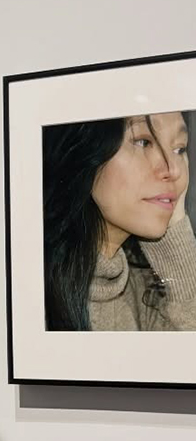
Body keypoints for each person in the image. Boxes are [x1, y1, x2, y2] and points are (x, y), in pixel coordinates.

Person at [43, 110, 196, 330]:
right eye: (144, 142)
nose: (174, 170)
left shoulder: (142, 288)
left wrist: (175, 230)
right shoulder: (30, 286)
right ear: (86, 148)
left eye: (179, 149)